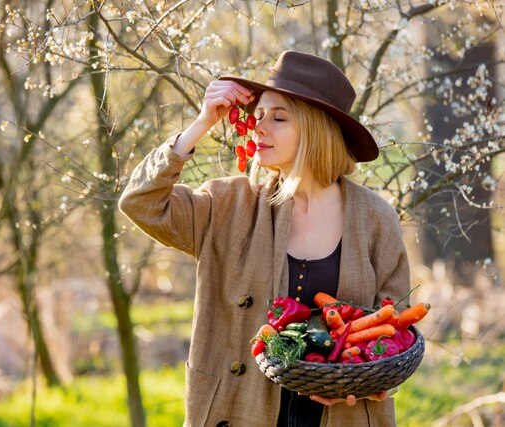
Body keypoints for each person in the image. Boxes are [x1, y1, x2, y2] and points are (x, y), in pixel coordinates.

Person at [118, 50, 410, 427]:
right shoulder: (227, 205)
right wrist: (201, 124)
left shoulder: (376, 219)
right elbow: (141, 203)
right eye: (258, 116)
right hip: (238, 410)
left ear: (316, 128)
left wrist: (365, 384)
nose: (259, 127)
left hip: (342, 416)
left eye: (278, 117)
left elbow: (397, 333)